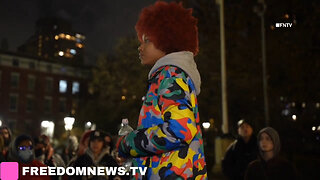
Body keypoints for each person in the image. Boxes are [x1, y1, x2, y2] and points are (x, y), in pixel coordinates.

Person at [116, 1, 207, 179]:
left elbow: (179, 130)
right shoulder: (171, 75)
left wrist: (129, 143)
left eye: (147, 40)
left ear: (167, 40)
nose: (140, 47)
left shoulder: (170, 74)